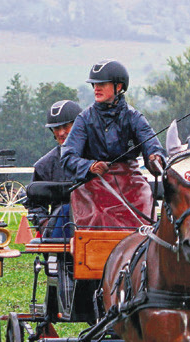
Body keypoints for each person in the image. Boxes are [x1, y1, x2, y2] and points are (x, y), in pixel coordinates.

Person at [60, 59, 165, 227]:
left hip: (131, 183)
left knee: (145, 199)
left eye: (102, 84)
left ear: (119, 87)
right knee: (100, 215)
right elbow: (68, 157)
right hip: (93, 186)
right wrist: (91, 166)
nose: (96, 88)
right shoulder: (84, 119)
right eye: (94, 84)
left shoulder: (134, 117)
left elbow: (152, 146)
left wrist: (156, 159)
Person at [28, 100, 82, 236]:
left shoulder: (97, 158)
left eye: (66, 126)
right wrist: (44, 224)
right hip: (61, 230)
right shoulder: (44, 165)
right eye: (56, 128)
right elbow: (35, 203)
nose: (61, 133)